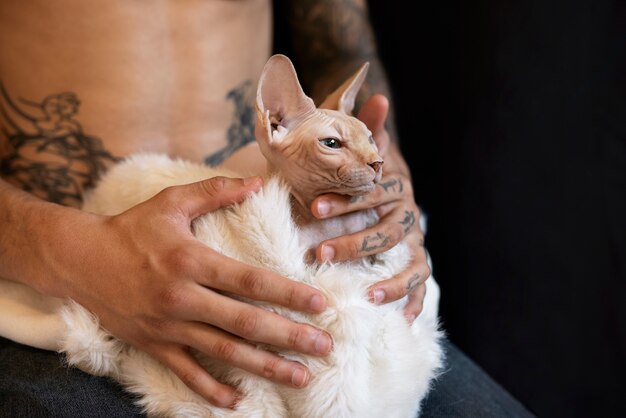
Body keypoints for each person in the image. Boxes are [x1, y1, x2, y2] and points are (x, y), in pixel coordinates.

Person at [0, 0, 534, 416]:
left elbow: (338, 51)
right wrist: (73, 252)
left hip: (279, 242)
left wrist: (385, 170)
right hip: (53, 277)